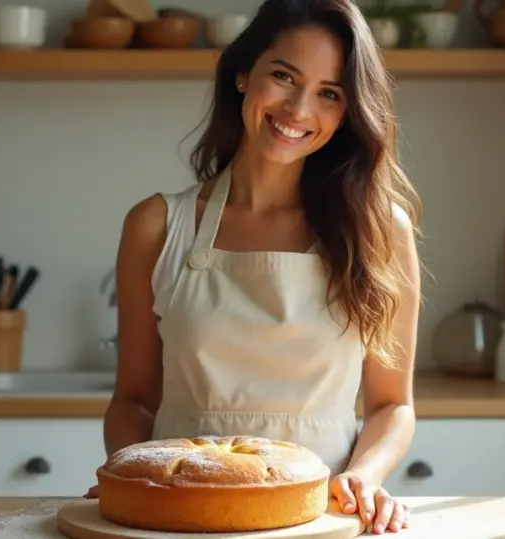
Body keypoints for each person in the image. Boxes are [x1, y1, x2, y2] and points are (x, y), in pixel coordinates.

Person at [86, 0, 422, 534]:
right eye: (284, 77)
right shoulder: (156, 226)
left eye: (329, 93)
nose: (298, 109)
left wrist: (364, 475)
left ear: (347, 112)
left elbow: (391, 406)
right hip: (183, 520)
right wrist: (133, 480)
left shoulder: (379, 232)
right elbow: (132, 400)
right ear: (243, 73)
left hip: (321, 518)